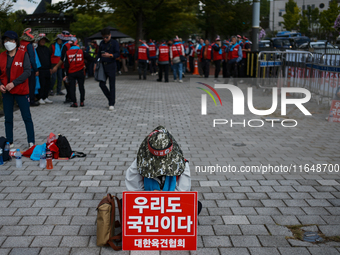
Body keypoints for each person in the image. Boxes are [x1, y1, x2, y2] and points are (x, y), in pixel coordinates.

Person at [125, 125, 202, 215]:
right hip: (147, 204)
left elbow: (183, 193)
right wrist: (150, 197)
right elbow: (133, 191)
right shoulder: (139, 163)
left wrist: (165, 197)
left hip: (171, 205)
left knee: (196, 205)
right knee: (125, 203)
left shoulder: (182, 163)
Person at [0, 31, 35, 148]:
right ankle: (9, 141)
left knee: (26, 117)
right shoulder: (1, 56)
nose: (8, 43)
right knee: (8, 118)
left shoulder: (23, 54)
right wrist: (0, 84)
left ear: (16, 42)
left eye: (10, 40)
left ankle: (31, 142)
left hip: (21, 90)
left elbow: (27, 72)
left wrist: (14, 83)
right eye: (5, 40)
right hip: (6, 92)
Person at [94, 28, 120, 111]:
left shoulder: (114, 43)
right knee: (101, 84)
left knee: (112, 85)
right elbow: (98, 54)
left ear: (110, 35)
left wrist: (110, 55)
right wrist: (95, 63)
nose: (105, 39)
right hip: (102, 65)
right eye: (104, 37)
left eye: (107, 37)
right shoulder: (101, 43)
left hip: (111, 65)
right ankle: (111, 98)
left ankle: (111, 103)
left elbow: (117, 53)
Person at [51, 31, 74, 104]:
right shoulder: (71, 44)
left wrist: (56, 66)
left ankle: (70, 97)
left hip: (65, 66)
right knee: (70, 82)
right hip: (72, 66)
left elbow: (63, 59)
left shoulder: (65, 46)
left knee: (66, 82)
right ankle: (70, 96)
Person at [19, 28, 40, 107]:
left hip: (19, 67)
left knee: (22, 85)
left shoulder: (20, 43)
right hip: (29, 68)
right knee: (31, 86)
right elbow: (32, 58)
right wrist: (35, 69)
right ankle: (31, 101)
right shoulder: (29, 45)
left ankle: (21, 101)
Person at [63, 37, 86, 107]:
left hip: (71, 72)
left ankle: (74, 102)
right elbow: (90, 58)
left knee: (72, 88)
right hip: (80, 71)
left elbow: (66, 65)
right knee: (81, 87)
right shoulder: (81, 51)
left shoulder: (67, 52)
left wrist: (66, 74)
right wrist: (84, 65)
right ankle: (82, 102)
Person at [35, 33, 53, 105]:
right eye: (41, 40)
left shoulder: (46, 49)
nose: (43, 41)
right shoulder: (36, 49)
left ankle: (45, 97)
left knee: (47, 84)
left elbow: (49, 59)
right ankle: (40, 97)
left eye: (44, 40)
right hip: (40, 69)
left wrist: (50, 68)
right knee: (41, 84)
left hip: (47, 69)